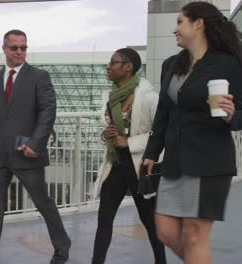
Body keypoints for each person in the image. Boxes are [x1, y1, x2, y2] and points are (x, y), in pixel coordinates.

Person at [142, 2, 242, 264]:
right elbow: (164, 112)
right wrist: (152, 152)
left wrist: (232, 113)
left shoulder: (228, 64)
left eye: (179, 22)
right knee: (164, 229)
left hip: (209, 161)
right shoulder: (171, 64)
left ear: (198, 24)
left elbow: (240, 111)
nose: (175, 29)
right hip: (175, 161)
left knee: (195, 236)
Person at [0, 29, 71, 264]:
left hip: (27, 153)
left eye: (24, 47)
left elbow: (48, 112)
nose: (20, 51)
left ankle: (62, 245)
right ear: (4, 49)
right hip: (0, 156)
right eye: (14, 48)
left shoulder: (39, 77)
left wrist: (36, 143)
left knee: (42, 202)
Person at [91, 48, 166, 264]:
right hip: (115, 164)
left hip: (140, 166)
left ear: (128, 66)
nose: (108, 66)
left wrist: (130, 142)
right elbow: (107, 128)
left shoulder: (149, 97)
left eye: (113, 63)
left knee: (149, 221)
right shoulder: (108, 96)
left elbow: (160, 133)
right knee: (104, 219)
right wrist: (105, 134)